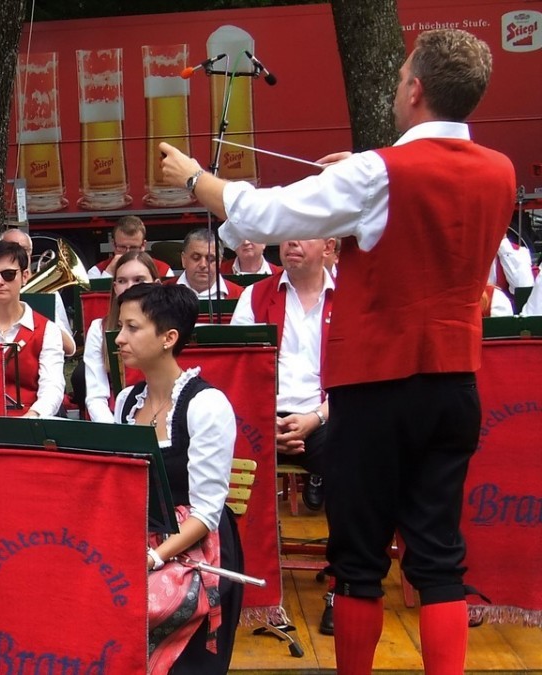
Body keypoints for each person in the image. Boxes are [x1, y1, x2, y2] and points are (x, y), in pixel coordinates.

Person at [160, 29, 515, 674]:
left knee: (357, 563)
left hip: (377, 389)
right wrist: (362, 178)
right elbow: (422, 212)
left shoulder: (377, 173)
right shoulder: (499, 170)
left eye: (401, 78)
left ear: (416, 89)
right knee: (439, 559)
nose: (397, 87)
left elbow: (264, 215)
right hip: (454, 383)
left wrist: (194, 177)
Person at [112, 283, 241, 675]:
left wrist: (153, 558)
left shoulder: (207, 405)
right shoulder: (126, 401)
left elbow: (206, 514)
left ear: (168, 338)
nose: (119, 338)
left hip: (198, 554)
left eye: (132, 327)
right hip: (138, 543)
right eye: (121, 326)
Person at [230, 238, 335, 632]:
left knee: (351, 459)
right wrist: (262, 421)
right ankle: (239, 585)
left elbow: (358, 379)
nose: (291, 240)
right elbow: (239, 370)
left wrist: (315, 418)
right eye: (287, 231)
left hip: (324, 414)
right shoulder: (254, 296)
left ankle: (342, 586)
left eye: (304, 233)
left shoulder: (351, 297)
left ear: (329, 245)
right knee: (217, 452)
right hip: (261, 415)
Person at [0, 240, 65, 418]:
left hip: (28, 421)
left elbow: (52, 387)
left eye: (8, 274)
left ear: (25, 276)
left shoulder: (48, 330)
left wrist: (33, 415)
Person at [83, 250, 158, 422]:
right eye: (122, 281)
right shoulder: (99, 328)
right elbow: (96, 397)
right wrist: (116, 431)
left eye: (139, 280)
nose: (130, 287)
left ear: (156, 284)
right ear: (115, 287)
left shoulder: (169, 328)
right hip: (116, 419)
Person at [0, 228, 77, 356]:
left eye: (24, 249)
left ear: (30, 253)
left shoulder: (49, 293)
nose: (19, 254)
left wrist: (39, 309)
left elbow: (69, 348)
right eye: (11, 249)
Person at [87, 216, 174, 280]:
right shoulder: (97, 271)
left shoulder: (163, 270)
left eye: (133, 247)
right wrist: (109, 272)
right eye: (122, 247)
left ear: (143, 245)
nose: (127, 253)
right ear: (113, 245)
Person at [172, 229, 242, 300]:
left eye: (210, 259)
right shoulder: (164, 291)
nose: (203, 265)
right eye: (196, 258)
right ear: (183, 259)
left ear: (219, 262)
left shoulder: (240, 295)